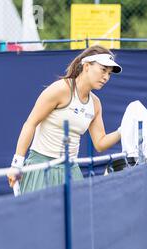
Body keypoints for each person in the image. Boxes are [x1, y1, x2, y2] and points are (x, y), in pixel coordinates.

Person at [7, 45, 122, 194]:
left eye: (109, 73)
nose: (106, 77)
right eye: (103, 70)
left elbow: (100, 143)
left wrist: (123, 131)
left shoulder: (95, 104)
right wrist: (16, 164)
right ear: (86, 66)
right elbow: (30, 124)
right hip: (42, 167)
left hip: (71, 170)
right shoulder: (60, 89)